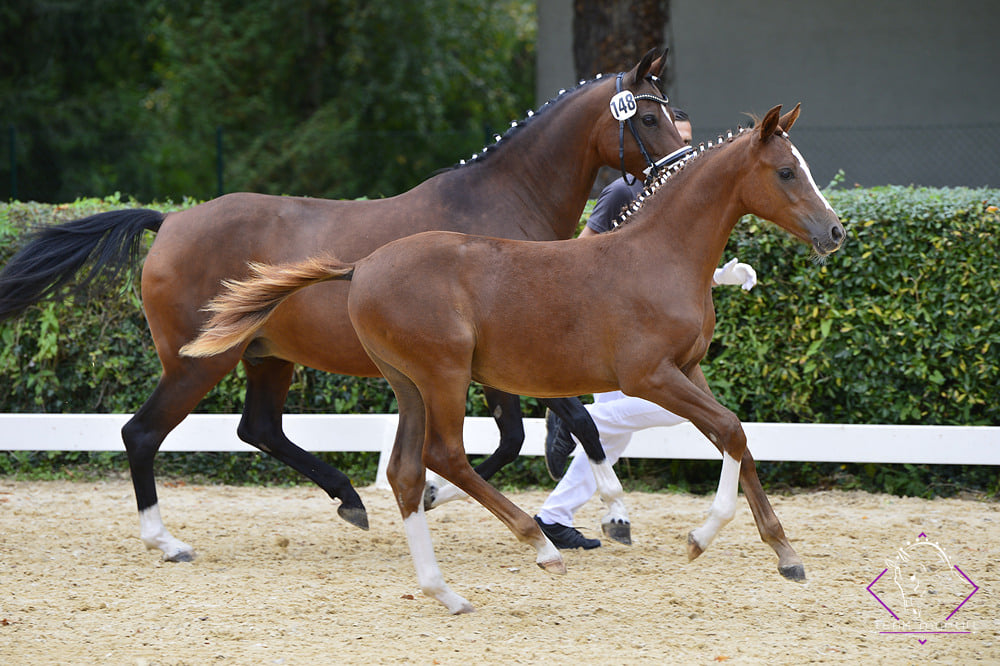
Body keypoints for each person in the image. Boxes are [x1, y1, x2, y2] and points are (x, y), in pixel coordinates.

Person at [533, 107, 757, 550]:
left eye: (689, 145)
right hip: (607, 329)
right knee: (671, 410)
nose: (683, 155)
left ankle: (553, 515)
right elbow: (580, 254)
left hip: (640, 328)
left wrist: (719, 276)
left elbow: (666, 274)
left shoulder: (685, 203)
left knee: (616, 435)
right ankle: (576, 422)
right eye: (677, 144)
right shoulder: (624, 192)